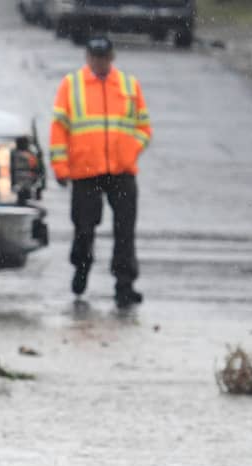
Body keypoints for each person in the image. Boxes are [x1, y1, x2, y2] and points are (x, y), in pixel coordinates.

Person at [49, 35, 152, 308]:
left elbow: (144, 127)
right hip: (85, 171)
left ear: (112, 58)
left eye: (104, 58)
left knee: (125, 231)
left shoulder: (129, 86)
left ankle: (124, 284)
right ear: (87, 57)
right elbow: (59, 128)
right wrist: (60, 167)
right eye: (95, 57)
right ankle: (81, 267)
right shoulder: (71, 86)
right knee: (84, 228)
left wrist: (131, 150)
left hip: (121, 170)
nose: (100, 62)